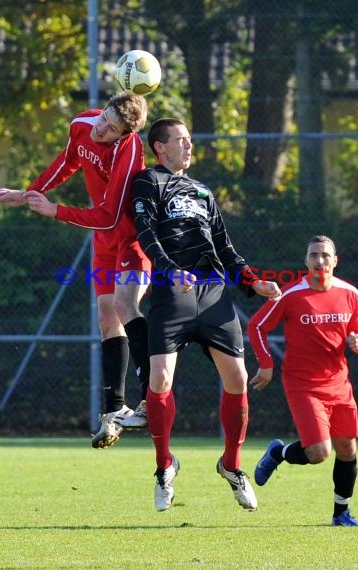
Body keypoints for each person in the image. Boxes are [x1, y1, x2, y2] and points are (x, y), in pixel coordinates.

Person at [131, 117, 282, 512]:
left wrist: (254, 283)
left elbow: (225, 248)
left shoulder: (202, 191)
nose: (189, 146)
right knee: (161, 378)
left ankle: (231, 466)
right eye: (180, 140)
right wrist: (168, 269)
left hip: (213, 293)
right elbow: (147, 234)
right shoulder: (148, 182)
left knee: (239, 379)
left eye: (190, 140)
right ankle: (165, 466)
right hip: (173, 292)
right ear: (159, 147)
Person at [0, 94, 151, 448]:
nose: (102, 129)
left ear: (123, 136)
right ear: (103, 108)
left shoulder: (129, 149)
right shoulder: (83, 123)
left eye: (110, 130)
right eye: (104, 118)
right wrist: (29, 193)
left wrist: (55, 210)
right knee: (108, 319)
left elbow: (109, 215)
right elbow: (68, 161)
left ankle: (154, 395)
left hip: (131, 238)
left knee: (125, 307)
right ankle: (114, 411)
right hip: (103, 242)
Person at [247, 234, 358, 527]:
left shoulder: (350, 293)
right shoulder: (292, 294)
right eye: (314, 255)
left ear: (335, 261)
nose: (320, 260)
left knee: (347, 448)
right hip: (302, 384)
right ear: (306, 261)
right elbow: (257, 326)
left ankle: (341, 514)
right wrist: (265, 365)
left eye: (325, 255)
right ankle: (278, 452)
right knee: (318, 453)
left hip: (339, 383)